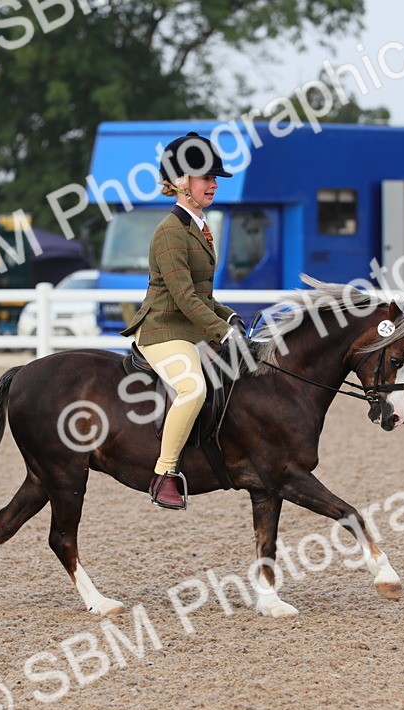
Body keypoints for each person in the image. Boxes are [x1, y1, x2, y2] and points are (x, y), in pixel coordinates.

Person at [121, 132, 248, 509]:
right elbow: (183, 297)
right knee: (193, 388)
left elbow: (204, 296)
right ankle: (164, 474)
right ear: (180, 182)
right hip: (163, 330)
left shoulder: (200, 227)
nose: (212, 185)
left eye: (214, 179)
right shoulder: (170, 233)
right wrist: (221, 331)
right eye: (205, 177)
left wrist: (232, 317)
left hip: (190, 328)